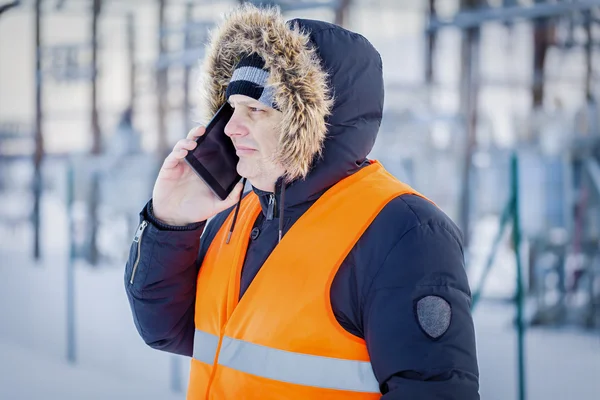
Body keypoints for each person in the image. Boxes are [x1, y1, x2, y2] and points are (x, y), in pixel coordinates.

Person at [124, 4, 479, 399]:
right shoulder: (234, 214)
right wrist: (170, 221)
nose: (231, 127)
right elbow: (165, 329)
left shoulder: (403, 233)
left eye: (257, 110)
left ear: (310, 125)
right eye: (233, 109)